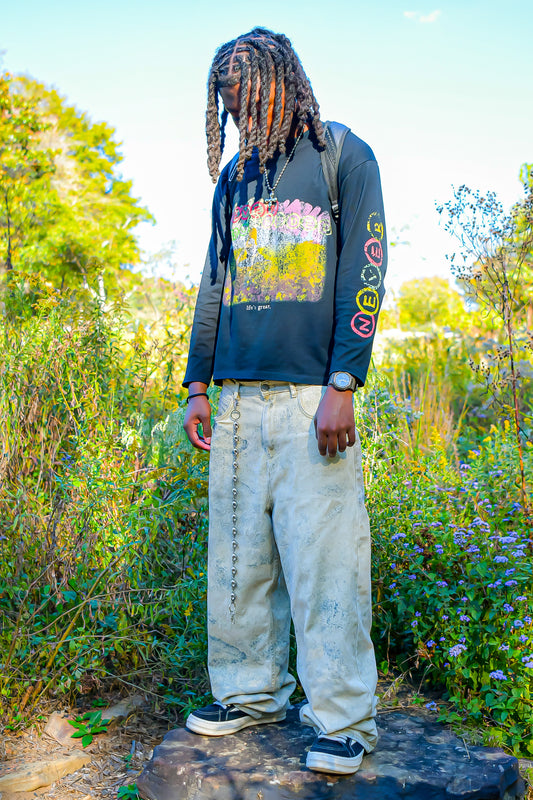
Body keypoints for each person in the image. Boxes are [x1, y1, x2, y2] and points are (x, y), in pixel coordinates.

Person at [182, 27, 386, 776]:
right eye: (226, 104)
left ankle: (343, 721)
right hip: (236, 398)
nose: (237, 115)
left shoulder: (343, 155)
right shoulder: (233, 179)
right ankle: (250, 695)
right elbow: (214, 282)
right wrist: (197, 384)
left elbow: (367, 267)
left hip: (311, 399)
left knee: (327, 565)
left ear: (279, 84)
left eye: (244, 98)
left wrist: (343, 383)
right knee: (238, 561)